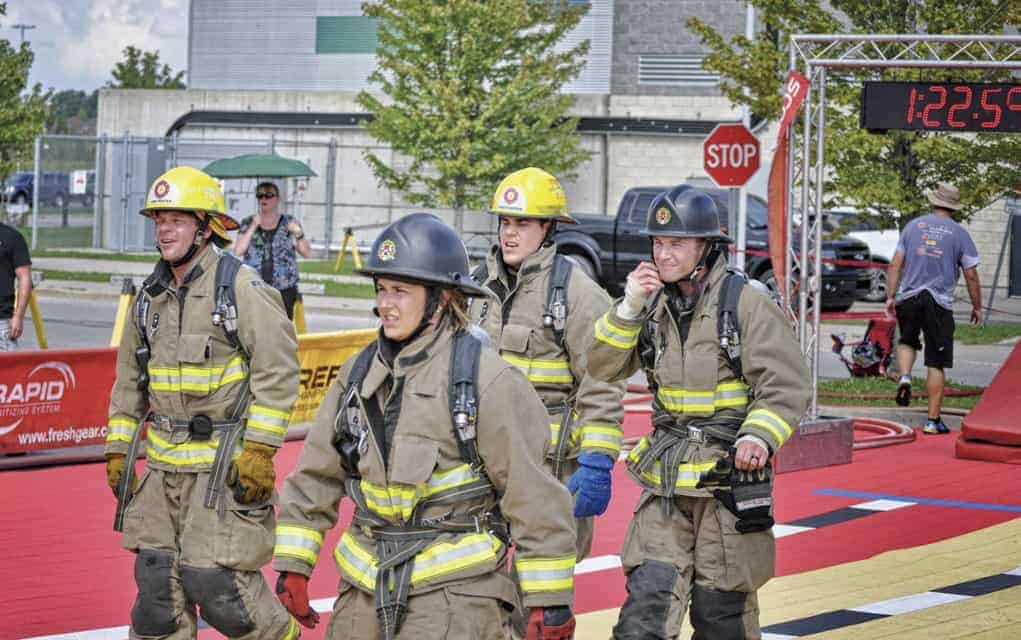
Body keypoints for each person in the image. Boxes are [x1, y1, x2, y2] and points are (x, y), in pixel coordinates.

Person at [273, 213, 579, 640]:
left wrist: (550, 600)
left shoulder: (486, 380)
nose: (386, 303)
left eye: (401, 291)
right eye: (381, 288)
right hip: (363, 591)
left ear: (442, 298)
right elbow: (315, 475)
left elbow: (532, 496)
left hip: (454, 598)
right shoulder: (358, 375)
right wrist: (294, 564)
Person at [587, 185, 810, 639]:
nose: (663, 255)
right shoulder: (650, 305)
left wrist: (759, 435)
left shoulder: (745, 302)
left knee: (719, 615)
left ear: (706, 247)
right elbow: (601, 366)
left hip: (726, 484)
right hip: (667, 484)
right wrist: (628, 308)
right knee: (644, 611)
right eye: (658, 243)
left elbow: (786, 384)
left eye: (677, 243)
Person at [104, 166, 302, 640]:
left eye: (177, 219)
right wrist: (118, 450)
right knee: (156, 595)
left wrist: (260, 451)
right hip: (162, 475)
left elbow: (278, 371)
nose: (164, 230)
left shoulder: (240, 288)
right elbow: (129, 383)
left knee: (220, 589)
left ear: (206, 227)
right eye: (159, 220)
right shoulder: (148, 299)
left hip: (220, 471)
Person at [470, 168, 624, 571]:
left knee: (540, 590)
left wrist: (596, 460)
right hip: (483, 469)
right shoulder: (477, 289)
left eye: (522, 224)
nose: (509, 233)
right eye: (505, 222)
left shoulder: (579, 295)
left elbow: (602, 384)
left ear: (548, 228)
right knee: (477, 590)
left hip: (550, 473)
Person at [885, 182, 982, 434]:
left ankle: (905, 376)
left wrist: (891, 296)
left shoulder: (912, 227)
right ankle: (932, 421)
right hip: (939, 302)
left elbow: (895, 264)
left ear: (934, 202)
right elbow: (971, 274)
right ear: (955, 207)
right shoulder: (959, 234)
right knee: (936, 362)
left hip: (909, 297)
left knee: (907, 341)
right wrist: (977, 306)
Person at [234, 180, 312, 319]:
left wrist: (298, 233)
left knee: (283, 326)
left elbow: (306, 253)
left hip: (284, 287)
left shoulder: (289, 222)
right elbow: (238, 251)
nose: (264, 199)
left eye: (269, 195)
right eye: (260, 195)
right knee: (256, 325)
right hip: (255, 286)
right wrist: (253, 226)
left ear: (277, 199)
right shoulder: (248, 222)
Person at [0, 219, 31, 351]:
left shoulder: (12, 237)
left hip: (2, 321)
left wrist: (18, 316)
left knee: (7, 365)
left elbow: (24, 277)